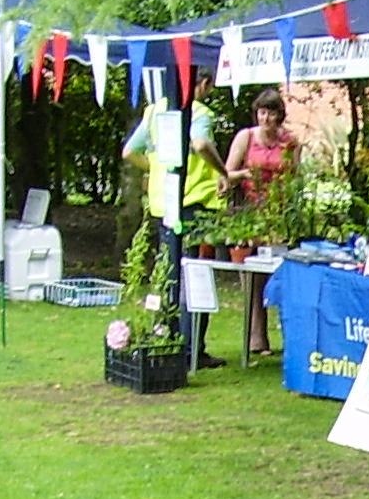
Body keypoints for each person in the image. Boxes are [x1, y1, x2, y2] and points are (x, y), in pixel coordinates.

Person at [121, 69, 230, 367]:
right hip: (195, 203)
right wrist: (224, 172)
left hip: (163, 204)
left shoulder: (155, 111)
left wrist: (154, 169)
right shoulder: (199, 112)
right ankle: (192, 347)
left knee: (168, 273)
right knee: (194, 275)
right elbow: (200, 145)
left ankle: (167, 337)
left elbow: (129, 152)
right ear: (203, 83)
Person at [224, 88, 298, 354]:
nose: (265, 119)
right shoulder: (245, 137)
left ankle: (287, 334)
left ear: (280, 116)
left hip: (278, 214)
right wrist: (247, 173)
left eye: (271, 113)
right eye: (262, 113)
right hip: (248, 214)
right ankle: (256, 337)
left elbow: (294, 178)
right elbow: (227, 173)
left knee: (276, 275)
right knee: (250, 275)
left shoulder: (290, 142)